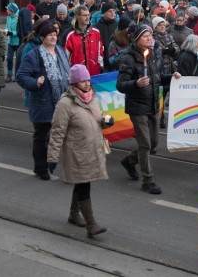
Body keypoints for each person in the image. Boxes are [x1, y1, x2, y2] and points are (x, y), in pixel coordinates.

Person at [47, 64, 114, 237]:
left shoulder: (92, 98)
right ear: (74, 83)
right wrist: (52, 157)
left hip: (93, 149)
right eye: (82, 80)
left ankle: (73, 214)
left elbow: (96, 120)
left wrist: (106, 121)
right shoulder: (65, 104)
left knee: (83, 182)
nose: (86, 83)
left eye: (87, 79)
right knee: (84, 185)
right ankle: (91, 224)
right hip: (77, 153)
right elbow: (57, 132)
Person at [116, 24, 181, 195]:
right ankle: (148, 180)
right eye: (146, 36)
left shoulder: (152, 54)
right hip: (137, 106)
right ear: (136, 39)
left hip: (152, 103)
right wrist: (135, 83)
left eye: (150, 35)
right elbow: (121, 85)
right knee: (144, 144)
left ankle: (130, 161)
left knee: (153, 142)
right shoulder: (128, 58)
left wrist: (172, 77)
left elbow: (157, 78)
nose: (150, 38)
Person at [17, 22, 70, 181]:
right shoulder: (34, 55)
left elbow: (68, 71)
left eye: (55, 34)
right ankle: (40, 168)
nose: (53, 37)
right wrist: (35, 82)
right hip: (43, 102)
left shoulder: (60, 51)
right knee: (41, 136)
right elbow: (21, 76)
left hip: (62, 101)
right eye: (49, 34)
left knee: (59, 135)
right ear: (42, 38)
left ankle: (55, 164)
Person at [63, 5, 104, 76]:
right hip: (78, 76)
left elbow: (100, 53)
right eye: (84, 15)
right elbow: (66, 57)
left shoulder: (96, 32)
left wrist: (100, 67)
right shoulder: (71, 35)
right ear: (77, 16)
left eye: (88, 15)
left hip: (94, 73)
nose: (88, 17)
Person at [5, 3, 21, 82]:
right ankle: (9, 74)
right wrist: (6, 31)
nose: (6, 10)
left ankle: (17, 75)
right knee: (9, 58)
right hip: (10, 42)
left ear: (12, 10)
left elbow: (19, 31)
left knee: (18, 59)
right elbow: (7, 27)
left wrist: (11, 33)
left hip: (18, 42)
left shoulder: (19, 17)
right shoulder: (8, 17)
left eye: (7, 9)